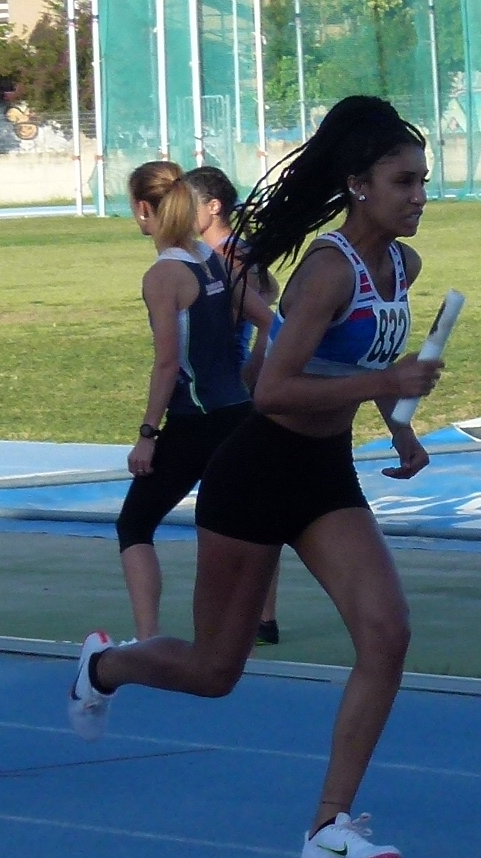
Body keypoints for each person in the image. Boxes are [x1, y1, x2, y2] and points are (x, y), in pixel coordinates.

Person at [69, 96, 443, 858]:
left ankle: (329, 825)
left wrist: (400, 426)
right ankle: (104, 667)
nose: (419, 196)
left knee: (387, 633)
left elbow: (361, 363)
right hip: (256, 471)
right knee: (215, 673)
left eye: (422, 180)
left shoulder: (401, 267)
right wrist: (389, 382)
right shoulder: (327, 270)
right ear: (359, 185)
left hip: (325, 475)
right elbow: (271, 391)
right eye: (404, 181)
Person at [115, 161, 274, 647]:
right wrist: (254, 372)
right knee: (243, 524)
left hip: (195, 420)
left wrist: (147, 434)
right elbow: (267, 319)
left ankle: (148, 638)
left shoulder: (163, 275)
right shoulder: (213, 258)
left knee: (135, 524)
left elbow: (168, 363)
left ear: (144, 209)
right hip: (239, 414)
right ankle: (256, 621)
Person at [183, 164, 282, 647]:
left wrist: (255, 370)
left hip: (231, 389)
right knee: (251, 499)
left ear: (213, 206)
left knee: (237, 504)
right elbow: (270, 297)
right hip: (232, 386)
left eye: (187, 204)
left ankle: (249, 616)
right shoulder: (233, 252)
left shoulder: (225, 257)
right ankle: (259, 615)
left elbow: (265, 316)